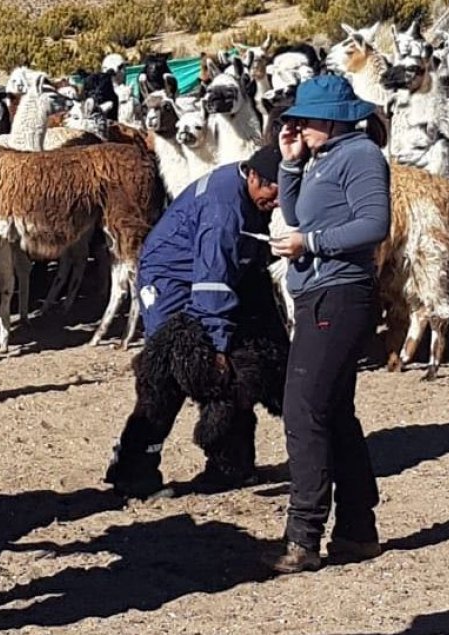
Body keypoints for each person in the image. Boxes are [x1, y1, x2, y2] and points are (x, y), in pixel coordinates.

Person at [104, 145, 290, 499]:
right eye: (273, 193)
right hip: (172, 281)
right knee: (169, 373)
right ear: (254, 177)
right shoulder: (223, 212)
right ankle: (133, 469)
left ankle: (231, 463)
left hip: (217, 274)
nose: (277, 202)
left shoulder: (245, 192)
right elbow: (211, 281)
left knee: (245, 365)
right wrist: (217, 345)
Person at [264, 75, 391, 573]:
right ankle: (358, 530)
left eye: (305, 119)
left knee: (304, 410)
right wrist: (290, 163)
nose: (296, 125)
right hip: (321, 293)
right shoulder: (323, 160)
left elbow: (373, 224)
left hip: (338, 294)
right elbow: (295, 213)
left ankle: (304, 536)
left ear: (333, 120)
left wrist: (310, 245)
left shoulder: (359, 157)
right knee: (334, 412)